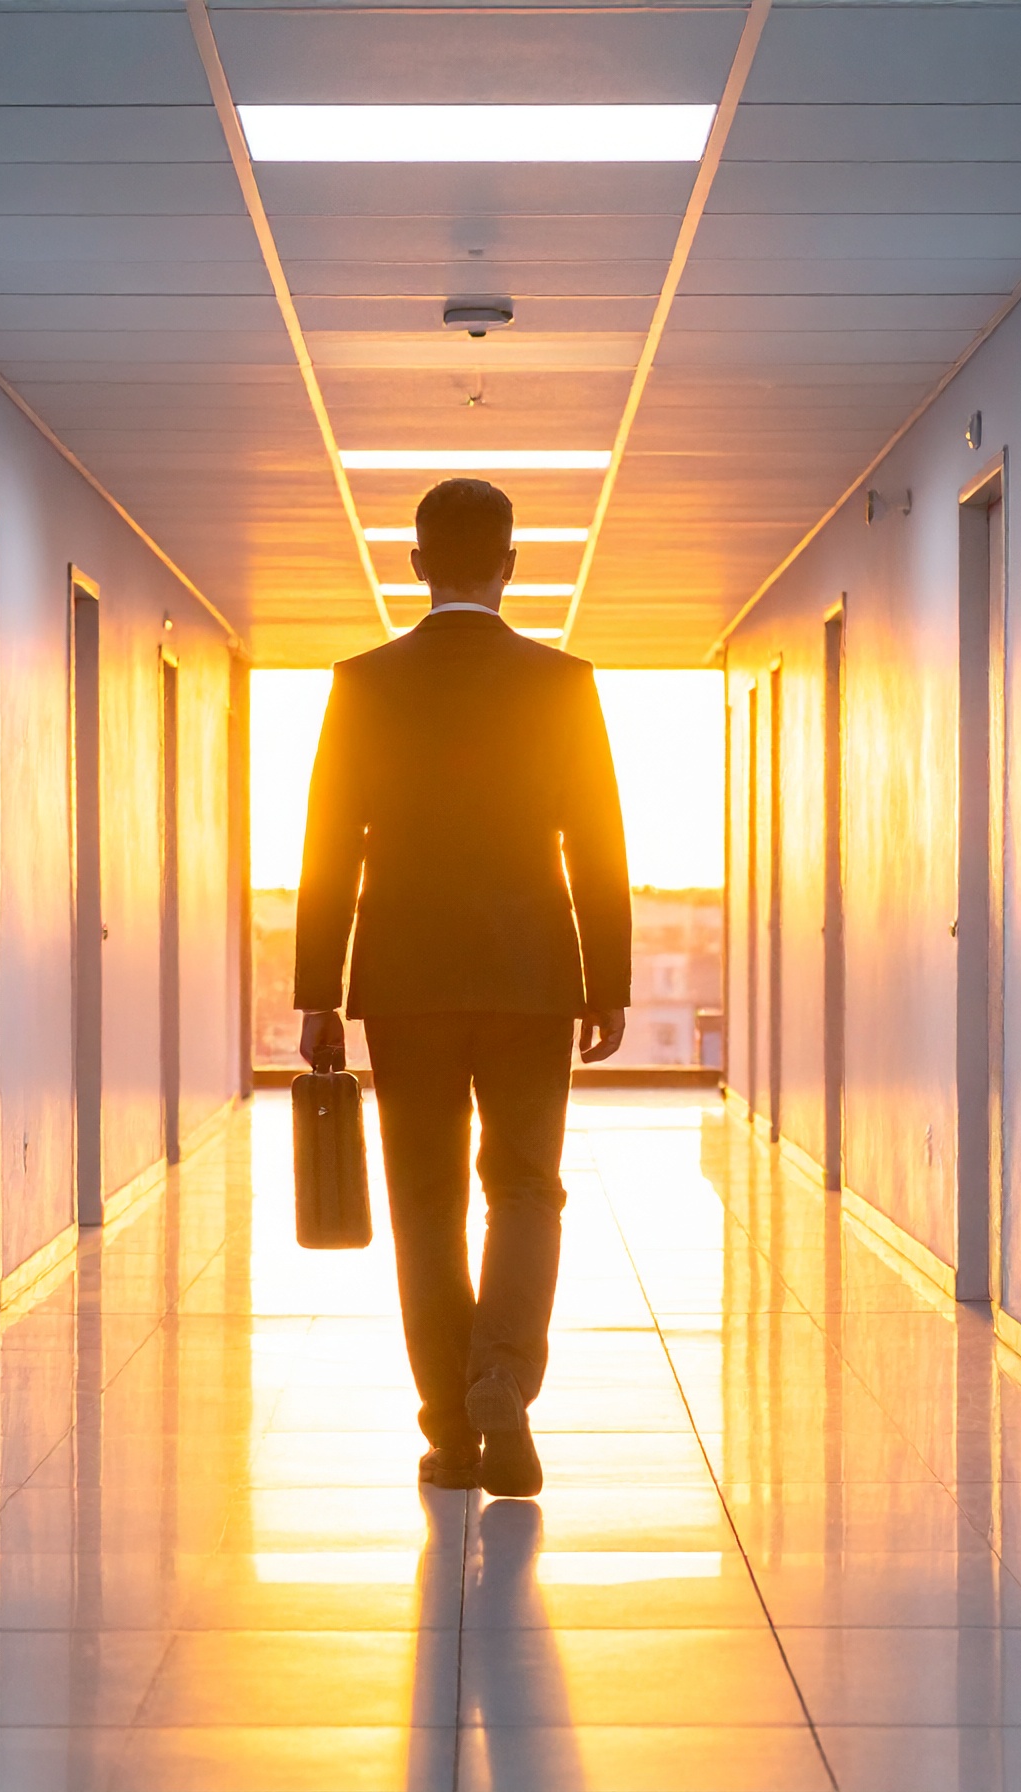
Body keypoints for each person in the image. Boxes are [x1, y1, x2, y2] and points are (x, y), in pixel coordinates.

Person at [295, 478, 631, 1498]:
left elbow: (328, 850)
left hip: (404, 983)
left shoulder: (363, 683)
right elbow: (600, 847)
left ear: (415, 564)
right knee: (528, 1187)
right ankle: (503, 1381)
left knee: (427, 1202)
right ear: (513, 563)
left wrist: (319, 991)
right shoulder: (562, 682)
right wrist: (606, 984)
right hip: (534, 979)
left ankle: (450, 1429)